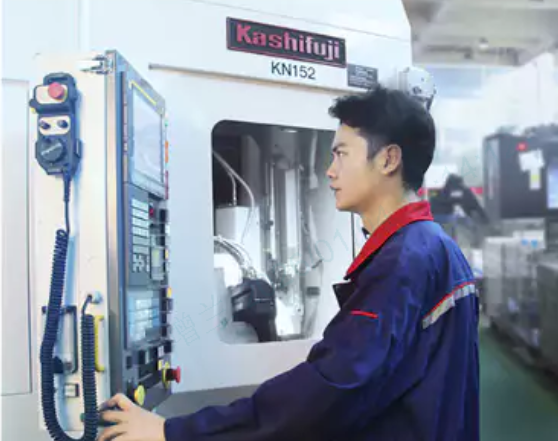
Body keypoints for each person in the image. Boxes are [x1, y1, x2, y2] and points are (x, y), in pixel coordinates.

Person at [98, 86, 479, 441]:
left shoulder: (402, 262)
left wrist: (172, 432)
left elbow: (329, 391)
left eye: (341, 153)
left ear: (388, 159)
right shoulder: (438, 248)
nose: (330, 170)